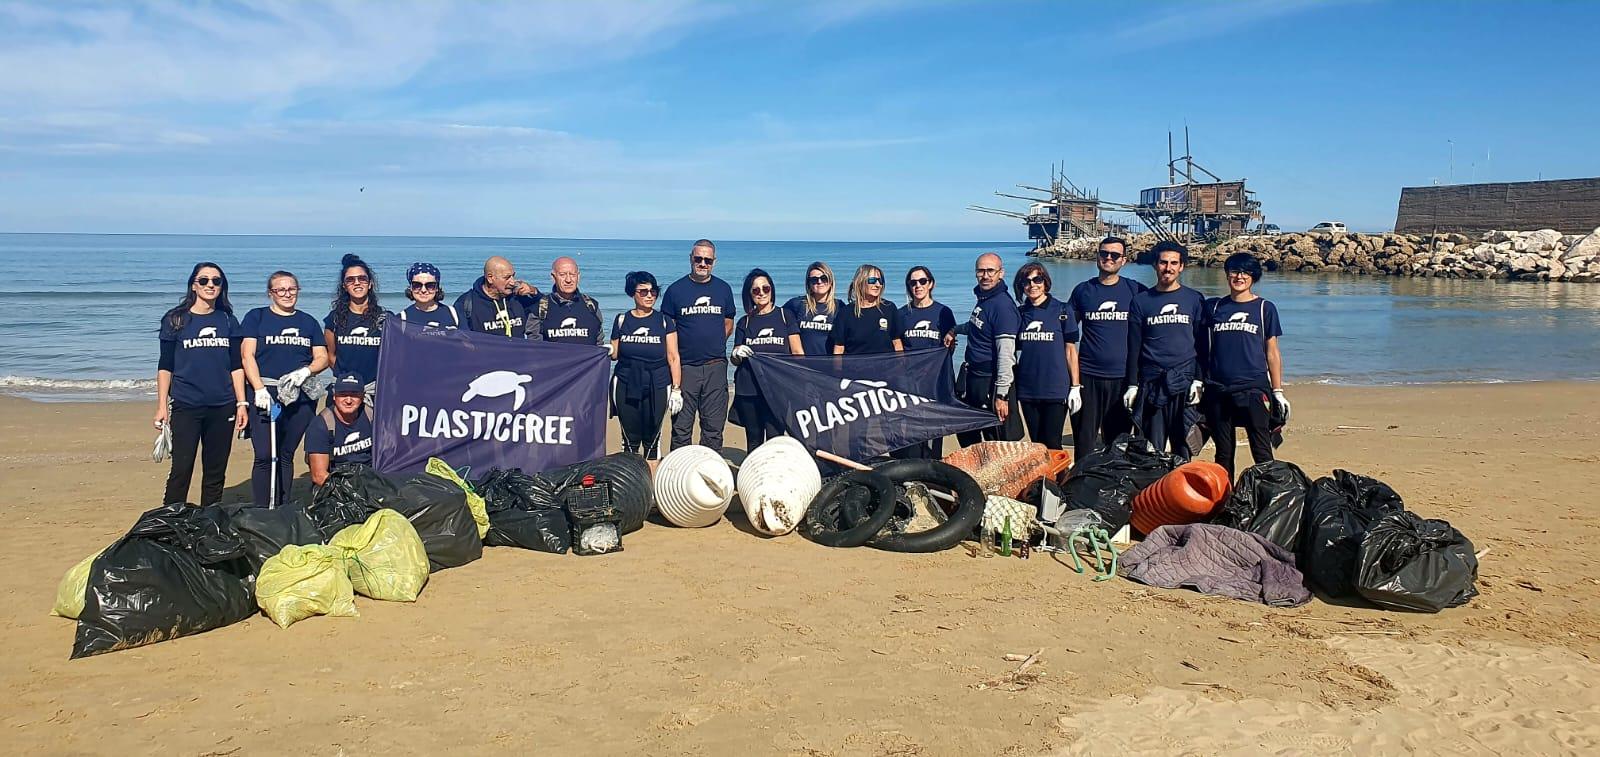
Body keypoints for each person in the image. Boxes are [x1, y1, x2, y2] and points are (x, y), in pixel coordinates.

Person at [155, 262, 248, 506]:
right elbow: (165, 366)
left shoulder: (228, 321)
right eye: (204, 280)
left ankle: (210, 521)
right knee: (181, 469)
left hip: (223, 405)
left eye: (216, 281)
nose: (210, 285)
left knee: (215, 472)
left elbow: (236, 366)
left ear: (222, 286)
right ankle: (171, 518)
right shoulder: (176, 320)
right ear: (194, 285)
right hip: (187, 405)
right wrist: (162, 405)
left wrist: (241, 403)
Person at [241, 271, 330, 506]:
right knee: (265, 455)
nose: (287, 294)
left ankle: (282, 504)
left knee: (286, 454)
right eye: (281, 289)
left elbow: (322, 357)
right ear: (271, 293)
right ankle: (263, 508)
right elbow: (247, 355)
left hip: (300, 397)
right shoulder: (256, 317)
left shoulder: (308, 322)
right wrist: (258, 388)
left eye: (292, 289)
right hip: (265, 394)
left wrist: (306, 371)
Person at [1203, 252, 1288, 478]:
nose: (1239, 277)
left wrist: (1278, 391)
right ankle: (1223, 502)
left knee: (1261, 451)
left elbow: (1272, 352)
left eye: (1245, 273)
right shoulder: (1213, 307)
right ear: (1227, 275)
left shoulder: (1264, 308)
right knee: (1223, 454)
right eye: (1234, 271)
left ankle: (1269, 499)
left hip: (1253, 388)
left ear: (1254, 277)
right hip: (1218, 388)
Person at [1124, 240, 1208, 460]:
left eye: (1173, 263)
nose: (1168, 268)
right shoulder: (1141, 301)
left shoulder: (1194, 299)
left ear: (1182, 266)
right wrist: (1132, 384)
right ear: (1155, 265)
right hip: (1153, 381)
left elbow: (1202, 344)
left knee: (1183, 446)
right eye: (1163, 263)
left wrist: (1199, 381)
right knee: (1151, 448)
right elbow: (1134, 347)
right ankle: (1155, 491)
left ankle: (1180, 491)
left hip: (1184, 378)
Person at [1067, 236, 1148, 463]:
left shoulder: (1136, 291)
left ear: (1124, 260)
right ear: (1097, 257)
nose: (1108, 258)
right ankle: (1080, 487)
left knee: (1118, 444)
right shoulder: (1082, 291)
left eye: (1114, 255)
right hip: (1089, 377)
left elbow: (1153, 331)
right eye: (1104, 254)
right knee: (1084, 442)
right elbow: (1067, 337)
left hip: (1123, 378)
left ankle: (1113, 490)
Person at [661, 239, 737, 451]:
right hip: (685, 368)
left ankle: (709, 472)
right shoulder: (675, 290)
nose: (703, 263)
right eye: (698, 259)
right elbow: (668, 327)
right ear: (691, 259)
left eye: (708, 260)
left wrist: (716, 340)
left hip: (716, 367)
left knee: (713, 428)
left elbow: (729, 319)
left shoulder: (723, 289)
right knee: (681, 428)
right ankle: (679, 475)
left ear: (714, 261)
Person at [610, 271, 683, 468]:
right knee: (629, 440)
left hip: (657, 384)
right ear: (632, 293)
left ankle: (650, 492)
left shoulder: (664, 321)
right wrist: (603, 350)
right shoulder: (621, 320)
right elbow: (614, 353)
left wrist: (676, 389)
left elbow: (673, 357)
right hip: (626, 383)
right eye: (643, 291)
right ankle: (633, 491)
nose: (650, 295)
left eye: (653, 291)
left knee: (652, 440)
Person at [729, 268, 803, 447]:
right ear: (750, 294)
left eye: (765, 288)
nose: (761, 293)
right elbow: (735, 358)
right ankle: (752, 474)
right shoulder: (744, 322)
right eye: (756, 290)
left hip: (777, 388)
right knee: (753, 438)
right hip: (749, 389)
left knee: (775, 438)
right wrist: (736, 353)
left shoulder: (785, 316)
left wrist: (797, 384)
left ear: (772, 290)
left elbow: (798, 353)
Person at [1012, 262, 1081, 450]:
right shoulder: (1019, 315)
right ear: (1021, 286)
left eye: (1037, 279)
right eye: (1026, 281)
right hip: (1027, 389)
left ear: (1045, 283)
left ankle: (1059, 478)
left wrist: (1075, 386)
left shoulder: (1062, 310)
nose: (1032, 285)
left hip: (1056, 388)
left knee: (1052, 442)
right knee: (1036, 444)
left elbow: (1070, 350)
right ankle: (1042, 479)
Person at [956, 252, 1023, 445]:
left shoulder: (1002, 306)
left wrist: (1001, 395)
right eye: (981, 271)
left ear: (1001, 273)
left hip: (991, 381)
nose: (985, 275)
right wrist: (955, 330)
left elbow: (1006, 354)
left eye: (990, 271)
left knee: (997, 440)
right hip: (974, 377)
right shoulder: (985, 299)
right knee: (969, 434)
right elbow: (978, 327)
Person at [898, 265, 958, 458]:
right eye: (913, 283)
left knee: (934, 433)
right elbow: (897, 350)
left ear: (931, 284)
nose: (918, 286)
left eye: (922, 281)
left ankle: (933, 475)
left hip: (936, 383)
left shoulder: (944, 312)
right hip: (911, 384)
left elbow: (950, 347)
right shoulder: (902, 314)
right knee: (913, 433)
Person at [323, 253, 386, 389]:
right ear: (344, 286)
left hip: (375, 389)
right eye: (350, 280)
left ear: (370, 284)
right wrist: (345, 380)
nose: (357, 283)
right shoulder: (334, 319)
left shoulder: (385, 319)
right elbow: (330, 355)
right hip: (344, 390)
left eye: (362, 278)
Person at [305, 371, 375, 486]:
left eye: (354, 394)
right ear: (334, 396)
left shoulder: (372, 416)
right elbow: (319, 476)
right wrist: (351, 490)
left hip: (370, 480)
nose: (348, 400)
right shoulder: (321, 425)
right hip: (336, 484)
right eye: (343, 394)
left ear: (362, 396)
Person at [455, 255, 540, 337]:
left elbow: (548, 310)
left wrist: (534, 292)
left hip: (518, 351)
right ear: (490, 278)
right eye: (507, 278)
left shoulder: (518, 298)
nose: (512, 282)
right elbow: (461, 340)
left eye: (513, 276)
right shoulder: (467, 303)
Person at [829, 264, 904, 354]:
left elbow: (896, 341)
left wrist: (901, 364)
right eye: (872, 280)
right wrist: (837, 368)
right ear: (860, 282)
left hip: (886, 367)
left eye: (880, 281)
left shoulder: (889, 308)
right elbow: (839, 347)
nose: (877, 285)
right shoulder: (845, 313)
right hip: (854, 367)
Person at [530, 256, 603, 346]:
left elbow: (599, 344)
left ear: (578, 277)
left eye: (572, 275)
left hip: (587, 360)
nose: (568, 280)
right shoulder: (540, 308)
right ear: (553, 277)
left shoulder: (591, 306)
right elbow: (534, 347)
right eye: (562, 275)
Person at [784, 261, 843, 355]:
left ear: (831, 281)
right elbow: (774, 317)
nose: (819, 282)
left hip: (829, 366)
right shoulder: (796, 304)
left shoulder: (840, 307)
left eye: (824, 278)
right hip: (803, 366)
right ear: (809, 284)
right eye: (814, 279)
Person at [397, 262, 460, 328]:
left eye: (430, 285)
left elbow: (466, 337)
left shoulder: (454, 314)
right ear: (411, 288)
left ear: (437, 288)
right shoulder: (401, 319)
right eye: (417, 285)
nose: (423, 290)